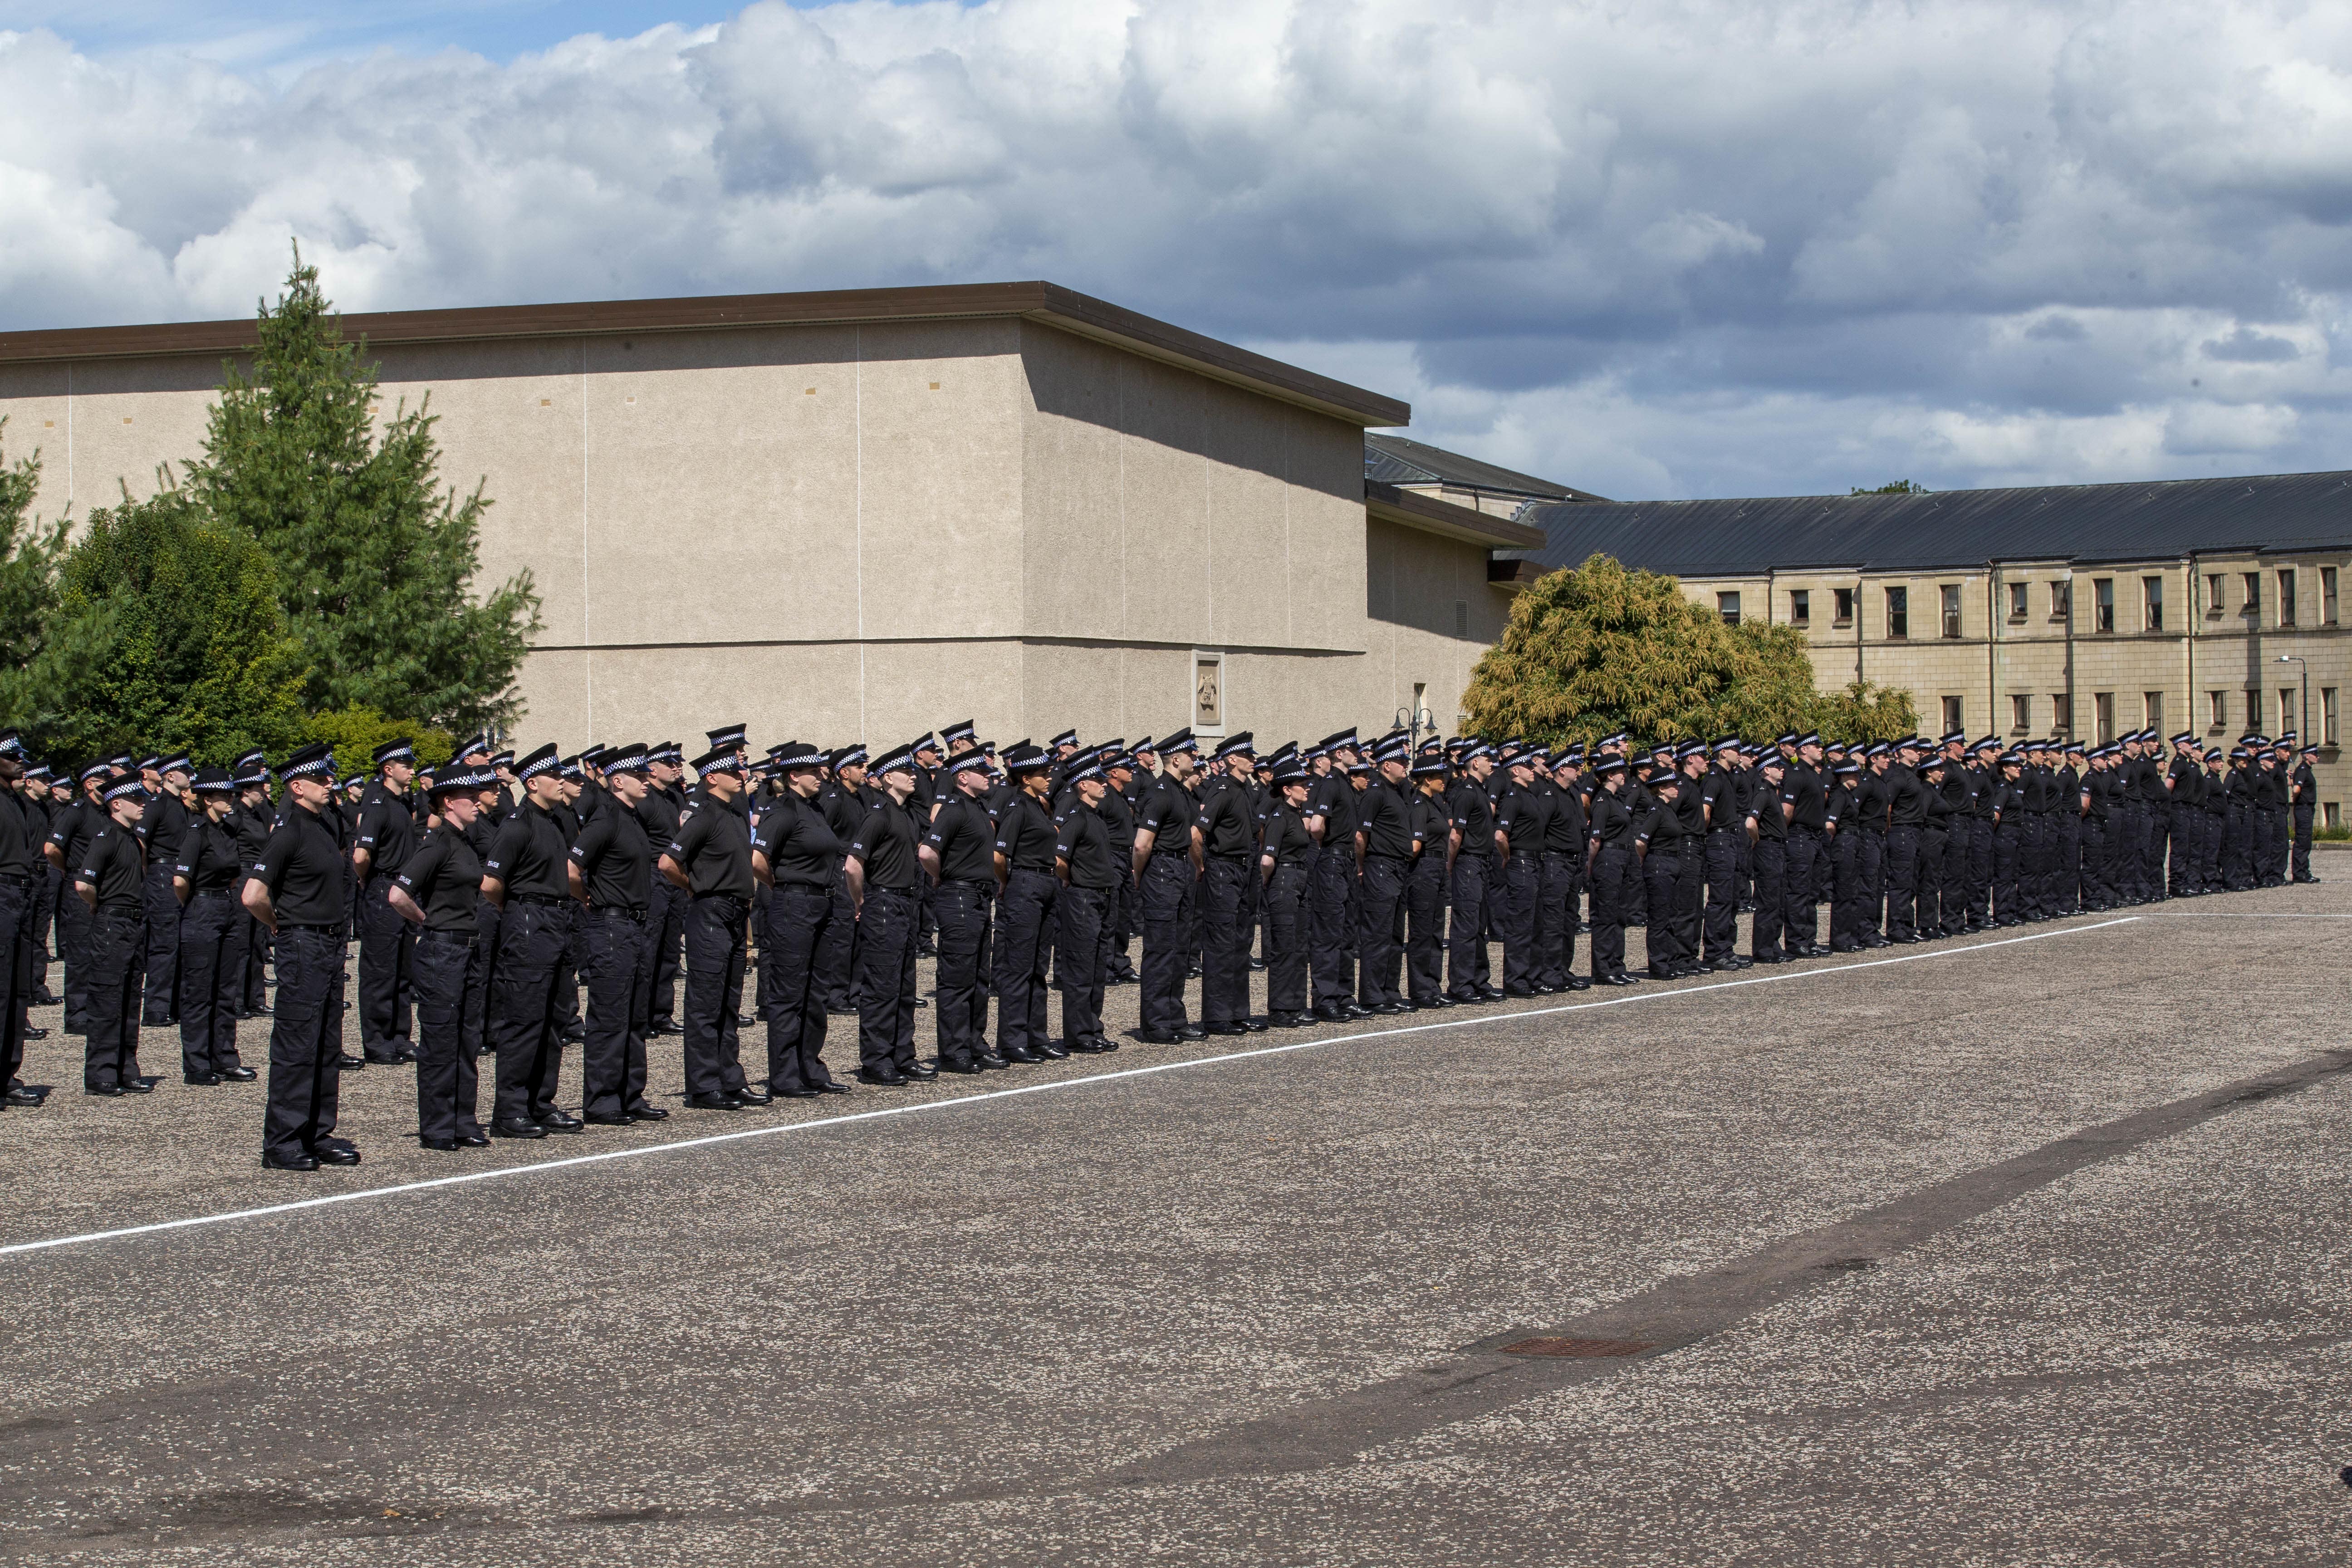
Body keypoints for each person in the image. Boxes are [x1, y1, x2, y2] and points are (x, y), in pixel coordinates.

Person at [243, 744, 357, 1168]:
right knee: (297, 1044)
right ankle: (284, 1142)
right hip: (303, 942)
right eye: (322, 780)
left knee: (326, 1043)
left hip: (328, 943)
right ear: (297, 787)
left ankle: (317, 1131)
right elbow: (253, 895)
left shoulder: (324, 826)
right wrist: (279, 924)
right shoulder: (289, 830)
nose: (331, 784)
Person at [483, 744, 591, 1136]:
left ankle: (540, 1103)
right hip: (529, 918)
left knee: (554, 1018)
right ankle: (509, 1110)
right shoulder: (517, 825)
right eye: (555, 776)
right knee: (525, 1019)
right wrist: (517, 913)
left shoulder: (558, 821)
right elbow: (492, 885)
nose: (563, 781)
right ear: (533, 783)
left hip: (558, 919)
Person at [388, 766, 495, 1150]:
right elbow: (398, 895)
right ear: (449, 802)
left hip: (469, 948)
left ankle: (463, 1120)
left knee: (468, 1039)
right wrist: (426, 922)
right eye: (472, 798)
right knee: (441, 1040)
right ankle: (437, 1127)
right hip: (443, 950)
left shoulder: (464, 842)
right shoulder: (437, 843)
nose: (480, 803)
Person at [659, 744, 762, 1111]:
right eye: (734, 773)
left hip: (736, 912)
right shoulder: (702, 815)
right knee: (705, 1004)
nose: (742, 776)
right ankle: (704, 1087)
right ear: (712, 778)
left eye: (742, 772)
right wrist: (694, 887)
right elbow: (668, 862)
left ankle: (731, 1079)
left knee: (729, 1003)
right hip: (711, 912)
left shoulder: (734, 813)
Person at [755, 740, 857, 1094]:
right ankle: (785, 1075)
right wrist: (783, 886)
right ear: (794, 775)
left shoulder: (815, 809)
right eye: (813, 772)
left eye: (820, 770)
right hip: (794, 904)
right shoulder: (782, 810)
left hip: (822, 905)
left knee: (816, 992)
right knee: (789, 993)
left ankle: (811, 1067)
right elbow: (758, 859)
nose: (820, 776)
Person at [568, 743, 660, 1126]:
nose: (646, 781)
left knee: (636, 1014)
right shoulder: (605, 818)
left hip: (636, 925)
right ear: (617, 780)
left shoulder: (633, 818)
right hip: (611, 924)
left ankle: (630, 1094)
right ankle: (603, 1100)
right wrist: (590, 900)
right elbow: (572, 868)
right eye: (639, 777)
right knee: (610, 1016)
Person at [846, 744, 932, 1086]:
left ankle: (902, 1054)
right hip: (883, 901)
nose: (913, 776)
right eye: (905, 772)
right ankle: (876, 1061)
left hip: (906, 903)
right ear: (886, 779)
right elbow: (853, 865)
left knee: (904, 985)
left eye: (913, 771)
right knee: (882, 987)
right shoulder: (879, 814)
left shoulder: (907, 813)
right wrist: (860, 901)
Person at [172, 769, 253, 1086]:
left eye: (231, 795)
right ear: (208, 799)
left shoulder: (227, 830)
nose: (230, 799)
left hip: (226, 904)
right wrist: (194, 905)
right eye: (224, 796)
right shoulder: (197, 832)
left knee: (225, 989)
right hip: (202, 907)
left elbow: (233, 871)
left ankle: (225, 1056)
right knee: (200, 991)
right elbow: (181, 880)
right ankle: (197, 1064)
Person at [77, 774, 154, 1098]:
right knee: (107, 999)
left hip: (134, 923)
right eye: (136, 801)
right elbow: (83, 884)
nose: (142, 804)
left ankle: (126, 1067)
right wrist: (100, 907)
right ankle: (101, 1073)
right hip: (113, 921)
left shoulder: (135, 840)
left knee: (130, 999)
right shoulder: (106, 836)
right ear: (116, 804)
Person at [992, 743, 1063, 1063]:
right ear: (1024, 778)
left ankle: (1037, 1035)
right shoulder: (1018, 807)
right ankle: (1013, 1039)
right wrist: (1007, 883)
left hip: (1046, 882)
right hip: (1025, 882)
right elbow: (999, 854)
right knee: (1019, 966)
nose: (1049, 779)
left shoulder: (1040, 806)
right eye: (1042, 774)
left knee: (1038, 965)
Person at [352, 738, 420, 1065]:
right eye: (406, 766)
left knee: (403, 967)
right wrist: (369, 881)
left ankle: (399, 1035)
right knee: (381, 970)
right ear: (388, 769)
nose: (412, 771)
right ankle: (377, 1041)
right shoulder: (377, 804)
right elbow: (362, 855)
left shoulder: (403, 804)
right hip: (384, 885)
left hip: (404, 888)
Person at [1132, 732, 1202, 1045]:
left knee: (1180, 949)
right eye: (1191, 754)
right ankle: (1156, 1023)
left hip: (1180, 868)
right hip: (1162, 869)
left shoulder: (1181, 793)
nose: (1196, 758)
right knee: (1161, 950)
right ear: (1176, 759)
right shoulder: (1160, 793)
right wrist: (1139, 876)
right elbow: (1142, 844)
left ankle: (1175, 1016)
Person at [1193, 735, 1263, 1035]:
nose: (1253, 760)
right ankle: (1217, 1015)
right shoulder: (1222, 788)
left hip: (1245, 870)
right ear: (1232, 759)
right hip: (1224, 868)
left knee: (1241, 943)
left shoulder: (1245, 788)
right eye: (1247, 756)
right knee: (1221, 945)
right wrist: (1202, 866)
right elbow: (1197, 832)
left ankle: (1238, 1012)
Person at [1053, 752, 1121, 1051]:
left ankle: (1093, 1027)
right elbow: (1059, 859)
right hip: (1083, 897)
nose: (1104, 785)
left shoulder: (1096, 817)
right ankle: (1078, 1034)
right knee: (1081, 968)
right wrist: (1072, 880)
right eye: (1098, 781)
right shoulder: (1076, 819)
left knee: (1097, 968)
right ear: (1083, 785)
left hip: (1103, 897)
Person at [1353, 736, 1414, 1014]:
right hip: (1380, 865)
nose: (1406, 765)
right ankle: (1372, 995)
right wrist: (1363, 865)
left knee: (1394, 934)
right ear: (1386, 764)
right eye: (1401, 762)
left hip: (1398, 867)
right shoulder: (1376, 792)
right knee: (1378, 934)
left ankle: (1390, 991)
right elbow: (1361, 835)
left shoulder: (1398, 791)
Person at [0, 740, 38, 1105]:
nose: (18, 763)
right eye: (10, 758)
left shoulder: (14, 800)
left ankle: (7, 1076)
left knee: (16, 990)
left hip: (20, 894)